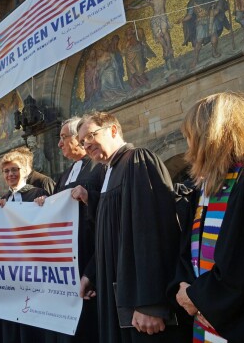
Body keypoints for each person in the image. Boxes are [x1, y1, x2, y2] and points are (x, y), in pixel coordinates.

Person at [78, 112, 187, 342]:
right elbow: (111, 235)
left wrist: (151, 303)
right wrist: (92, 274)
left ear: (114, 130)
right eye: (81, 142)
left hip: (142, 306)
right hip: (117, 299)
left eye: (90, 136)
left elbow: (152, 232)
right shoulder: (108, 171)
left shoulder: (138, 160)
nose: (86, 144)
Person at [170, 92, 244, 342]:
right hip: (205, 317)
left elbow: (242, 263)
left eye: (190, 138)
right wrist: (185, 289)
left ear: (210, 137)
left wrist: (201, 298)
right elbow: (189, 251)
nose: (188, 147)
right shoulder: (206, 188)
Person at [36, 117, 105, 343]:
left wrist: (88, 197)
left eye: (63, 137)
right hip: (66, 261)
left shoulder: (97, 166)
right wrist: (45, 203)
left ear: (79, 138)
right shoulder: (65, 173)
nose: (59, 144)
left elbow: (106, 206)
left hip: (89, 252)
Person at [0, 150, 48, 343]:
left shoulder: (38, 193)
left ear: (25, 171)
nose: (10, 174)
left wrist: (45, 205)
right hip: (11, 269)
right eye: (6, 171)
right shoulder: (3, 200)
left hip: (33, 267)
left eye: (15, 170)